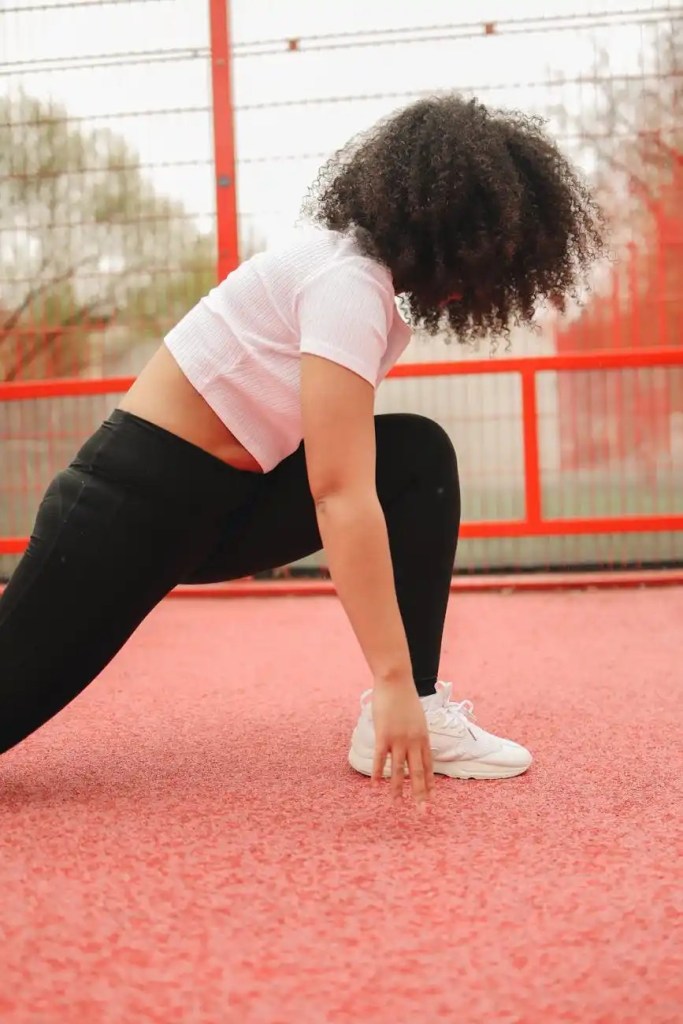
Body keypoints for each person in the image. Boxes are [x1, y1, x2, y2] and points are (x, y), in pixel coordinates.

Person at [0, 94, 604, 807]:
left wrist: (403, 687)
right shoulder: (344, 282)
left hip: (220, 510)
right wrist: (385, 678)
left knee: (416, 456)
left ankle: (421, 703)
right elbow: (337, 491)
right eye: (488, 255)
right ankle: (399, 694)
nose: (484, 281)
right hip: (127, 512)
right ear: (448, 230)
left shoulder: (360, 286)